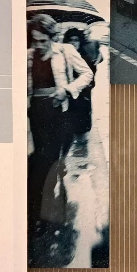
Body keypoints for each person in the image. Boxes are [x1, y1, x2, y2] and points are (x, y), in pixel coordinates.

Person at [27, 14, 94, 233]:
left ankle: (38, 216)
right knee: (40, 162)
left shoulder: (65, 51)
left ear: (52, 37)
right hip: (35, 114)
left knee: (46, 163)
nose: (38, 45)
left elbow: (87, 74)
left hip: (58, 113)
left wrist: (67, 90)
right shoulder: (28, 56)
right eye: (35, 40)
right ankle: (38, 211)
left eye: (43, 40)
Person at [62, 26, 98, 135]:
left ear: (80, 42)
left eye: (76, 40)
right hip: (68, 95)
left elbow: (91, 79)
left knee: (82, 125)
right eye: (70, 40)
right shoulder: (62, 57)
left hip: (83, 95)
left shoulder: (85, 57)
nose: (73, 43)